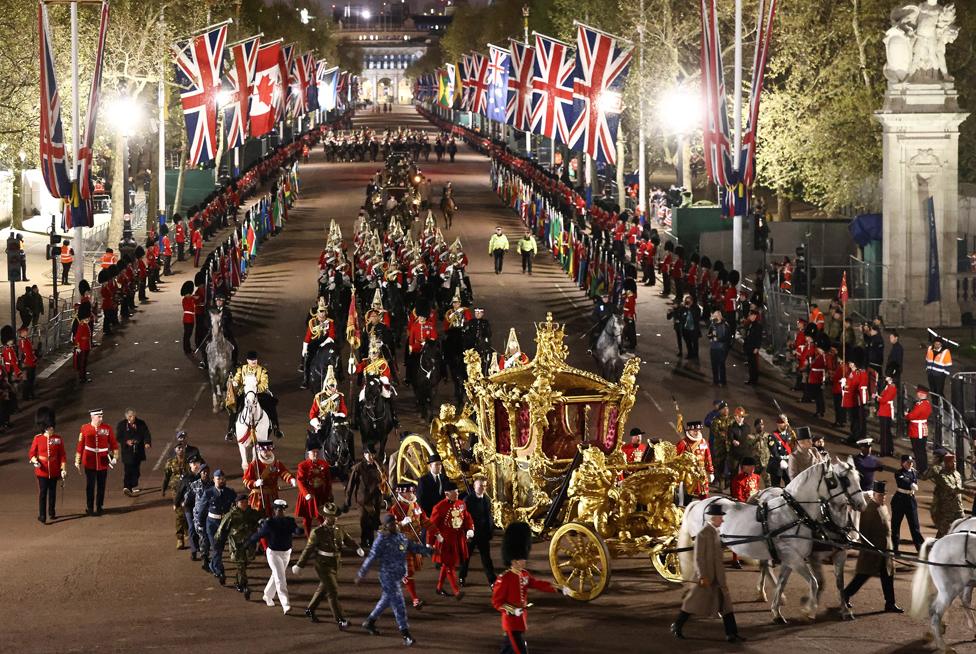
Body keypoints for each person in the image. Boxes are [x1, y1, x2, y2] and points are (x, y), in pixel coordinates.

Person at [671, 503, 745, 642]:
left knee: (727, 606)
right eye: (720, 517)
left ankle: (731, 634)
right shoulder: (703, 534)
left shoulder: (715, 533)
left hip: (718, 577)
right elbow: (698, 557)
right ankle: (677, 625)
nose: (722, 520)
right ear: (714, 518)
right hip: (707, 577)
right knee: (691, 604)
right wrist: (702, 576)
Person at [491, 522, 568, 654]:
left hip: (520, 621)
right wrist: (512, 610)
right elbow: (497, 602)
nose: (524, 561)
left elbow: (537, 583)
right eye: (521, 559)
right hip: (511, 624)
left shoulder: (524, 574)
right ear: (513, 560)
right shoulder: (504, 578)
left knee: (508, 650)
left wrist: (557, 588)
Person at [357, 514, 432, 646]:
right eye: (391, 524)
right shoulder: (381, 540)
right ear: (386, 526)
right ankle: (405, 635)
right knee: (399, 605)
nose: (395, 525)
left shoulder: (401, 537)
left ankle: (369, 622)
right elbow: (371, 558)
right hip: (387, 577)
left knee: (386, 600)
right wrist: (361, 573)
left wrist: (428, 551)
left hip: (398, 576)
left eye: (395, 523)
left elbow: (413, 547)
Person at [292, 502, 363, 627]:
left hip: (335, 563)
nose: (334, 518)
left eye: (335, 516)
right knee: (333, 592)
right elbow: (308, 550)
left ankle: (310, 609)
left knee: (324, 588)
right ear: (326, 517)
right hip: (323, 564)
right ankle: (340, 619)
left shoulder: (338, 529)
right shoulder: (317, 532)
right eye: (331, 517)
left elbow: (347, 540)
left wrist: (357, 548)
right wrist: (300, 565)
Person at [842, 481, 902, 614]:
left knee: (888, 577)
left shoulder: (883, 507)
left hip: (885, 550)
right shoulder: (869, 510)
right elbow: (864, 532)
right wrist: (871, 548)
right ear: (874, 495)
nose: (883, 497)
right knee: (862, 576)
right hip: (873, 552)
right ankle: (845, 594)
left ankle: (890, 603)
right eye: (881, 495)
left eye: (884, 495)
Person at [249, 498, 298, 614]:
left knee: (276, 575)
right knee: (280, 578)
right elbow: (259, 535)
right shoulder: (269, 522)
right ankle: (286, 604)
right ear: (274, 510)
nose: (280, 511)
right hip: (273, 553)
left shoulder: (289, 521)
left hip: (286, 553)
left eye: (282, 509)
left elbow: (295, 528)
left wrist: (298, 530)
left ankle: (267, 594)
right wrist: (248, 542)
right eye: (278, 509)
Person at [427, 481, 474, 599]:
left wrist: (470, 529)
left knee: (447, 564)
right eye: (455, 492)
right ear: (447, 494)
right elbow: (431, 526)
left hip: (458, 540)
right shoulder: (439, 507)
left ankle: (439, 587)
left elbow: (467, 518)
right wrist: (430, 542)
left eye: (457, 491)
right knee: (449, 566)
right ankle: (456, 592)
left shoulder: (461, 504)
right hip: (445, 542)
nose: (457, 494)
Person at [213, 493, 263, 600]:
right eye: (242, 502)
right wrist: (218, 538)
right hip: (236, 543)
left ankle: (239, 579)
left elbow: (261, 521)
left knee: (247, 561)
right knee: (240, 564)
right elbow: (222, 528)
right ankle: (242, 584)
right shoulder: (231, 515)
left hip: (249, 543)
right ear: (237, 503)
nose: (244, 504)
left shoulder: (252, 513)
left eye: (246, 502)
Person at [389, 482, 429, 608]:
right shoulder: (395, 508)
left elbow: (425, 520)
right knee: (408, 572)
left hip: (414, 542)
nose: (412, 494)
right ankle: (415, 599)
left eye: (412, 491)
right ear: (401, 493)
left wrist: (436, 533)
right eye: (409, 492)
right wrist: (401, 523)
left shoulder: (416, 505)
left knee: (408, 572)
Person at [227, 351, 282, 439]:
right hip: (245, 393)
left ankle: (276, 427)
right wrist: (235, 382)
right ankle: (231, 429)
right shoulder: (241, 369)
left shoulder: (262, 370)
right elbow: (237, 378)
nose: (254, 361)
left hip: (259, 394)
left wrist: (255, 390)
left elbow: (264, 384)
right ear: (247, 360)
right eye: (251, 360)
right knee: (235, 407)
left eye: (255, 359)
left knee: (271, 406)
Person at [75, 408, 119, 516]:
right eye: (98, 416)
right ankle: (90, 507)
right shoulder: (84, 428)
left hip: (103, 460)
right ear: (92, 417)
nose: (101, 418)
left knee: (101, 485)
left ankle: (99, 506)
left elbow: (113, 443)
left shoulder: (107, 428)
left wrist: (115, 457)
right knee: (90, 485)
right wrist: (78, 460)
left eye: (101, 416)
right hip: (89, 460)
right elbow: (80, 445)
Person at [29, 407, 66, 524]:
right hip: (42, 471)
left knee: (53, 492)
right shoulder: (38, 438)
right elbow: (32, 453)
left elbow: (62, 455)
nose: (52, 429)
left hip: (54, 469)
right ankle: (42, 515)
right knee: (43, 493)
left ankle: (52, 512)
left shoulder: (58, 439)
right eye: (49, 427)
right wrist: (35, 460)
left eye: (52, 427)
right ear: (44, 427)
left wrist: (63, 469)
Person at [345, 447, 386, 550]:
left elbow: (385, 483)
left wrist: (386, 497)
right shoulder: (358, 468)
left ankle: (371, 541)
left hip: (375, 499)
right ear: (364, 455)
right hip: (362, 499)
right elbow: (351, 484)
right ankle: (364, 540)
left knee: (373, 521)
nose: (370, 456)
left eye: (372, 454)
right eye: (368, 454)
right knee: (363, 520)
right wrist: (348, 500)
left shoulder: (379, 467)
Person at [460, 474, 496, 587]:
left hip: (483, 534)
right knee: (466, 558)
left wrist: (490, 531)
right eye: (480, 486)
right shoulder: (468, 500)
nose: (483, 488)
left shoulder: (486, 499)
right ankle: (462, 577)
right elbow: (463, 517)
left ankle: (492, 581)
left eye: (484, 486)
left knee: (486, 559)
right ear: (475, 487)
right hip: (471, 534)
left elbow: (489, 516)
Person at [202, 469, 237, 583]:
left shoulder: (230, 493)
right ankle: (219, 571)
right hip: (212, 524)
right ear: (214, 480)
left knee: (220, 548)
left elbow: (236, 506)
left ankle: (212, 565)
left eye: (223, 479)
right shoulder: (208, 493)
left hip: (225, 524)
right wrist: (200, 525)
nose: (221, 481)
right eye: (218, 479)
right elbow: (201, 510)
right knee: (216, 548)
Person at [243, 441, 295, 515]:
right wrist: (255, 483)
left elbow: (283, 473)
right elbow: (246, 480)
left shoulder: (276, 463)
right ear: (259, 451)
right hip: (259, 497)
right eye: (264, 450)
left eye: (268, 450)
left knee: (274, 515)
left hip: (273, 495)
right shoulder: (254, 465)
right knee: (258, 516)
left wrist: (291, 479)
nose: (266, 452)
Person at [922, 450, 965, 537]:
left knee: (958, 532)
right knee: (946, 533)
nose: (954, 464)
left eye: (955, 462)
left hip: (958, 509)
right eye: (952, 462)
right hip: (946, 509)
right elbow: (950, 488)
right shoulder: (940, 472)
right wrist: (967, 491)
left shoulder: (957, 474)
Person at [729, 458, 761, 568]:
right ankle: (735, 559)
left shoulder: (756, 477)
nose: (753, 469)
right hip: (742, 508)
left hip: (754, 508)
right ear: (744, 467)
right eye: (750, 466)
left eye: (753, 467)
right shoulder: (738, 480)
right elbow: (739, 497)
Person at [295, 446, 333, 537]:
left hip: (321, 495)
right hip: (309, 496)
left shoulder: (324, 464)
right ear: (308, 453)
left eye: (316, 452)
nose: (315, 454)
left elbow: (328, 481)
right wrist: (306, 494)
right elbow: (300, 481)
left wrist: (329, 493)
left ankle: (324, 536)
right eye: (313, 452)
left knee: (322, 516)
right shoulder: (302, 465)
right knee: (307, 518)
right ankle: (308, 536)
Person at [891, 454, 924, 555]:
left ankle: (920, 549)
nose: (910, 464)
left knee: (915, 526)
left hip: (910, 500)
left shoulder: (914, 472)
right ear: (903, 463)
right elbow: (902, 481)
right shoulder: (898, 472)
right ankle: (895, 548)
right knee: (896, 525)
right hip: (900, 499)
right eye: (908, 462)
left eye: (911, 462)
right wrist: (910, 484)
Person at [116, 408, 151, 496]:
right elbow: (118, 437)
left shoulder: (141, 423)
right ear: (127, 417)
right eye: (130, 416)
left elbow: (146, 433)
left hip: (138, 451)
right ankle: (126, 487)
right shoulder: (122, 425)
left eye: (133, 416)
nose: (132, 418)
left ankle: (132, 485)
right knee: (128, 470)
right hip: (127, 452)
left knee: (136, 471)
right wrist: (126, 441)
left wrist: (147, 442)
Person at [161, 442, 190, 548]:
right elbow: (166, 476)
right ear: (175, 450)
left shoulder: (189, 461)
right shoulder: (170, 462)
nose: (180, 450)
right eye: (178, 448)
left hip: (188, 489)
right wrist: (163, 489)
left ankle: (187, 529)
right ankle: (180, 538)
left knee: (188, 510)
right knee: (179, 514)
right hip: (176, 491)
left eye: (182, 448)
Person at [676, 421, 713, 499]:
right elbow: (677, 459)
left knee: (704, 494)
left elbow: (708, 457)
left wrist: (710, 472)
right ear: (689, 431)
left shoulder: (703, 442)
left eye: (698, 430)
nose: (696, 432)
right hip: (688, 473)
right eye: (694, 430)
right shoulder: (683, 443)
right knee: (688, 494)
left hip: (701, 472)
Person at [906, 384, 933, 473]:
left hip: (917, 430)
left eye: (918, 392)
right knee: (921, 450)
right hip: (921, 428)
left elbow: (912, 416)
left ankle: (921, 469)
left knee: (918, 451)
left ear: (921, 394)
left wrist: (907, 415)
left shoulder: (921, 405)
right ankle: (923, 468)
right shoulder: (926, 403)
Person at [417, 452, 450, 517]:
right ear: (430, 466)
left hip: (444, 513)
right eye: (436, 464)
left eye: (440, 464)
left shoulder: (445, 478)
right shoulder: (423, 480)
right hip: (430, 513)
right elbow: (420, 500)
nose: (439, 467)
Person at [707, 310, 731, 386]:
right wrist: (710, 336)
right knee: (714, 365)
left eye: (717, 316)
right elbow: (709, 334)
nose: (715, 317)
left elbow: (727, 337)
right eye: (714, 316)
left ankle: (723, 381)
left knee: (721, 365)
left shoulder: (725, 325)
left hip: (721, 348)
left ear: (720, 316)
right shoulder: (712, 324)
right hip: (713, 347)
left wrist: (718, 339)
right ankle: (715, 381)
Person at [877, 375, 898, 457]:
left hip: (886, 410)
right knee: (887, 432)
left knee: (884, 433)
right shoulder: (888, 386)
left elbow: (884, 399)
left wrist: (878, 398)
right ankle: (889, 450)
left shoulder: (891, 387)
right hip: (885, 409)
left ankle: (884, 452)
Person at [73, 303, 93, 383]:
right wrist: (78, 348)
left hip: (86, 345)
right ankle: (82, 378)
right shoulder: (82, 325)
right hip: (83, 346)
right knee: (83, 363)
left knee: (84, 363)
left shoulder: (84, 324)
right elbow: (77, 338)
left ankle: (83, 376)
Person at [17, 325, 37, 401]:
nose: (26, 332)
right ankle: (26, 396)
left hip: (31, 362)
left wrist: (34, 355)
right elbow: (22, 353)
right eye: (25, 331)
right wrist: (22, 363)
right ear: (21, 333)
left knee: (31, 379)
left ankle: (31, 394)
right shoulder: (22, 341)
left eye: (26, 331)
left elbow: (30, 351)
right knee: (27, 381)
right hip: (27, 363)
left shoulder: (27, 340)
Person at [743, 310, 763, 385]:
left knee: (753, 365)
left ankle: (754, 380)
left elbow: (759, 338)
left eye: (751, 315)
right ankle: (751, 379)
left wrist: (757, 347)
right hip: (749, 346)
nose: (750, 317)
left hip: (753, 347)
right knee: (751, 364)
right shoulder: (750, 324)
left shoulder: (757, 326)